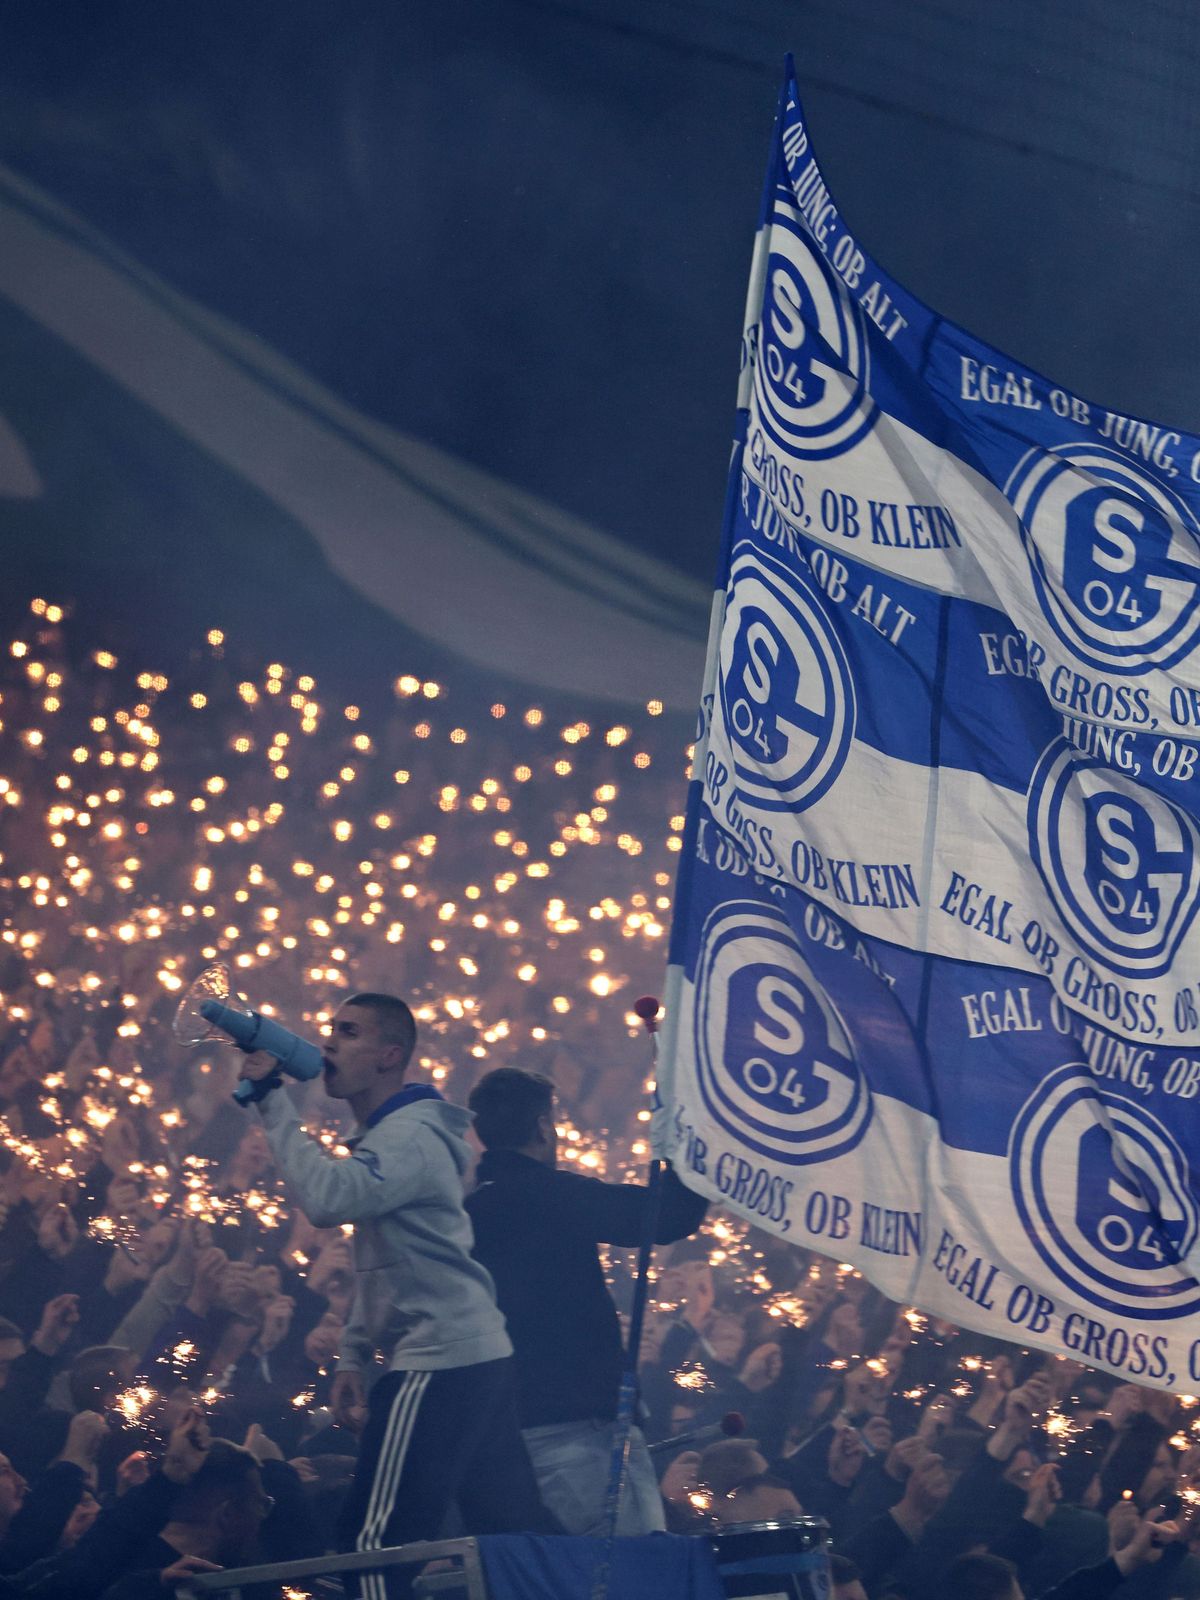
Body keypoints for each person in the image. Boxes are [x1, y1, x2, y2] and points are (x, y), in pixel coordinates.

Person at [236, 993, 554, 1599]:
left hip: (441, 1361)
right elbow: (388, 1264)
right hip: (475, 1353)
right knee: (508, 1534)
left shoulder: (407, 1137)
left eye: (348, 1033)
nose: (328, 1043)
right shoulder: (395, 1133)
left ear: (390, 1055)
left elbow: (329, 1199)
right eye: (330, 1030)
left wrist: (273, 1102)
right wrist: (355, 1352)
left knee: (375, 1548)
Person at [464, 1066, 707, 1535]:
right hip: (581, 1435)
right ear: (541, 1126)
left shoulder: (465, 1211)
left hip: (504, 1438)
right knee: (629, 1578)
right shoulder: (551, 1195)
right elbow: (665, 1218)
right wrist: (692, 1142)